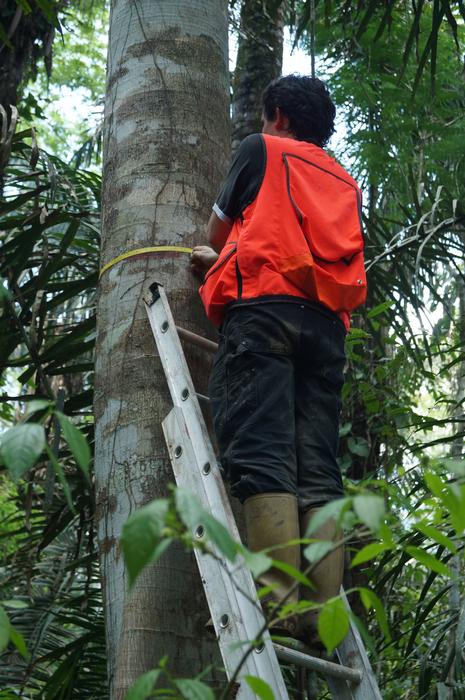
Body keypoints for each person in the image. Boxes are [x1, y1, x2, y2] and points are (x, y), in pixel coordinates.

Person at [191, 75, 366, 643]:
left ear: (279, 116)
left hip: (264, 313)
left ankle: (280, 603)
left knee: (261, 451)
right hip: (325, 331)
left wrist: (209, 259)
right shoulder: (343, 179)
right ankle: (324, 618)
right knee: (318, 467)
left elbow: (218, 232)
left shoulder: (260, 149)